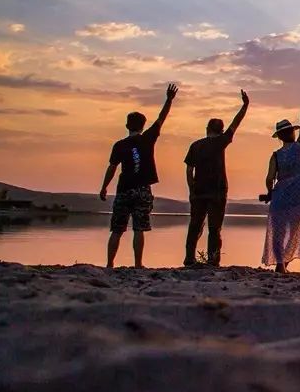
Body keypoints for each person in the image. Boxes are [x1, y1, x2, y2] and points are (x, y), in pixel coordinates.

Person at [100, 83, 178, 268]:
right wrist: (169, 100)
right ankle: (137, 264)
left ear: (127, 125)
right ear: (143, 126)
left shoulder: (119, 145)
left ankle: (110, 264)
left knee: (117, 230)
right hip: (142, 190)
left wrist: (104, 187)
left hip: (124, 190)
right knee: (139, 229)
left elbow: (112, 168)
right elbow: (161, 117)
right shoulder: (148, 138)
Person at [183, 90, 249, 268]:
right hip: (217, 192)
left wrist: (191, 190)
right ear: (220, 131)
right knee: (214, 228)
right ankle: (213, 260)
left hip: (199, 191)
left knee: (194, 226)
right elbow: (235, 124)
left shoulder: (195, 146)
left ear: (207, 130)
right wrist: (245, 106)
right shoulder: (221, 141)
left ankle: (189, 258)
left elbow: (189, 170)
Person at [263, 86, 300, 274]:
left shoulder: (275, 155)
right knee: (294, 231)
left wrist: (270, 192)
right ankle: (283, 262)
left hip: (280, 195)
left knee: (278, 231)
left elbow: (269, 179)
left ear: (280, 137)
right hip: (297, 197)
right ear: (291, 132)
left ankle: (280, 264)